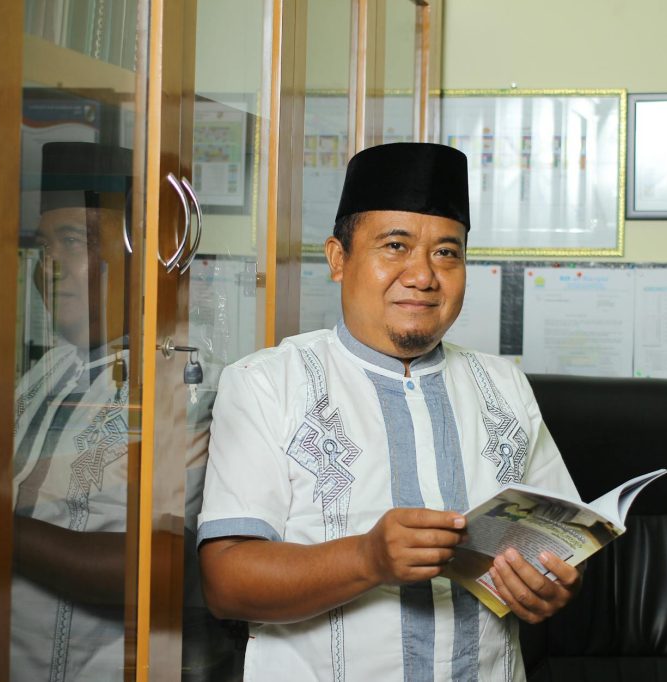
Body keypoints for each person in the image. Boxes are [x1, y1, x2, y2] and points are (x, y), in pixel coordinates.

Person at [197, 142, 582, 680]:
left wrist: (551, 586)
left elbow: (563, 543)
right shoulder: (267, 384)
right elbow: (226, 583)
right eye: (395, 245)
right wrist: (367, 560)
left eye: (447, 252)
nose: (423, 275)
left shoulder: (504, 387)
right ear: (338, 258)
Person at [10, 141, 134, 681]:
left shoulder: (179, 385)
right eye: (44, 246)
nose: (50, 266)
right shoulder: (40, 376)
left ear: (131, 255)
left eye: (73, 241)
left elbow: (145, 568)